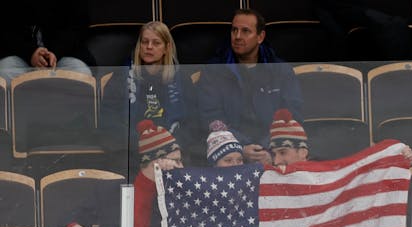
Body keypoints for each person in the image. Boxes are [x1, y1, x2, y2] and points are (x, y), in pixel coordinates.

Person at [196, 8, 304, 166]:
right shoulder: (213, 70)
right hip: (229, 154)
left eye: (246, 31)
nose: (238, 36)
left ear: (260, 37)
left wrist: (268, 149)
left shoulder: (280, 70)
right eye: (234, 30)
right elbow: (211, 117)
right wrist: (240, 146)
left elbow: (292, 115)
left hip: (273, 152)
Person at [101, 22, 196, 164]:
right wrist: (141, 143)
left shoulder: (181, 78)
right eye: (145, 42)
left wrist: (171, 143)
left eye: (156, 43)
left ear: (167, 48)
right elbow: (109, 118)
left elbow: (194, 120)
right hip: (133, 152)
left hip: (173, 150)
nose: (149, 47)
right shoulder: (122, 76)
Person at [0, 2, 93, 81]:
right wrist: (30, 53)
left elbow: (78, 25)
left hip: (64, 54)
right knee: (3, 75)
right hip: (19, 55)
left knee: (81, 75)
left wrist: (55, 52)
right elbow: (6, 28)